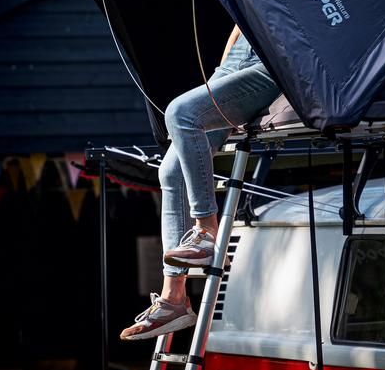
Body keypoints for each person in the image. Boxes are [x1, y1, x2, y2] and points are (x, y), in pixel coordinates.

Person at [120, 26, 281, 340]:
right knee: (170, 172)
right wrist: (220, 76)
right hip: (233, 67)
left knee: (181, 113)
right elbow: (237, 27)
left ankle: (207, 229)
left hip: (269, 65)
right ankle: (173, 299)